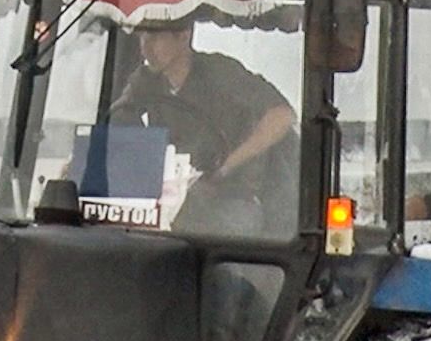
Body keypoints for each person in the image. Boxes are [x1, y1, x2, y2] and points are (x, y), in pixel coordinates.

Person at [108, 16, 298, 235]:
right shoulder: (146, 80)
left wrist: (225, 168)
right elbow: (118, 119)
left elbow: (281, 115)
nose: (145, 47)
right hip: (175, 197)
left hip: (231, 198)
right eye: (141, 37)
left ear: (183, 36)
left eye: (154, 37)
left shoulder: (220, 72)